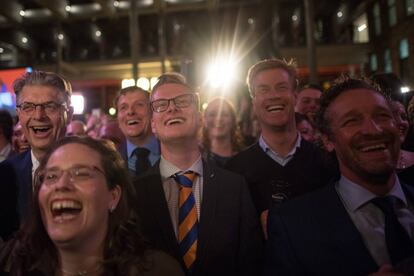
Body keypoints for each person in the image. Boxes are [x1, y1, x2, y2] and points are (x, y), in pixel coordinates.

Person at [264, 77, 414, 275]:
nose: (373, 129)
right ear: (327, 140)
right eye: (352, 121)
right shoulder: (292, 226)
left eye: (382, 116)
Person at [133, 73, 262, 276]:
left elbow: (251, 263)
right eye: (160, 105)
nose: (172, 108)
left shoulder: (234, 187)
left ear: (201, 117)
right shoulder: (135, 193)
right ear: (153, 125)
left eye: (182, 101)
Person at [0, 136, 184, 276]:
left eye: (81, 174)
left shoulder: (158, 270)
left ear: (113, 197)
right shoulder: (10, 264)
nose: (61, 184)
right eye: (51, 176)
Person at [227, 59, 336, 238]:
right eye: (263, 90)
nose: (273, 96)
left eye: (281, 87)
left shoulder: (327, 161)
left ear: (294, 96)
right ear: (254, 101)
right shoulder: (235, 171)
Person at [0, 71, 73, 223]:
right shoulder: (5, 173)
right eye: (28, 107)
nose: (39, 116)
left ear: (69, 114)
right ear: (19, 114)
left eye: (50, 106)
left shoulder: (92, 170)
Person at [115, 86, 160, 176]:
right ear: (118, 120)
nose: (130, 111)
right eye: (123, 107)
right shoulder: (110, 162)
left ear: (153, 112)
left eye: (139, 105)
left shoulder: (175, 152)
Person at [202, 97, 245, 167]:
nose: (218, 119)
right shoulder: (195, 159)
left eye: (224, 114)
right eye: (212, 114)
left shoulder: (246, 158)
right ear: (204, 120)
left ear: (233, 120)